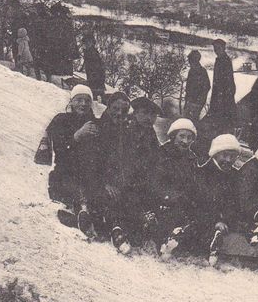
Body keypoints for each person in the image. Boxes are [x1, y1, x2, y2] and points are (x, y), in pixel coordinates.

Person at [104, 96, 162, 254]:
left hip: (138, 184)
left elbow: (154, 162)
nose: (149, 118)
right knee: (117, 203)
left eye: (153, 115)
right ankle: (116, 231)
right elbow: (108, 158)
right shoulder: (123, 129)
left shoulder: (150, 135)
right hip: (117, 181)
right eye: (144, 113)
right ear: (135, 113)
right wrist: (108, 182)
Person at [72, 91, 131, 239]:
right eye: (115, 108)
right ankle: (89, 219)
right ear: (108, 108)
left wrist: (119, 183)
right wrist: (105, 183)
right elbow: (88, 162)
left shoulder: (125, 133)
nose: (119, 113)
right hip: (92, 180)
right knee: (102, 200)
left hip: (113, 183)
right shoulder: (96, 127)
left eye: (124, 111)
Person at [147, 118, 200, 259]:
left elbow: (193, 184)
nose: (185, 141)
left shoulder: (192, 159)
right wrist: (172, 196)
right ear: (173, 136)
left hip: (182, 201)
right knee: (168, 215)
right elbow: (155, 182)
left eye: (189, 138)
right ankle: (166, 242)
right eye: (181, 136)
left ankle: (177, 237)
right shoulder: (162, 154)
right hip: (162, 199)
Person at [45, 85, 97, 208]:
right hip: (65, 173)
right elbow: (60, 150)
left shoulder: (95, 123)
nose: (83, 104)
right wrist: (76, 136)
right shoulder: (61, 120)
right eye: (79, 100)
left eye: (87, 100)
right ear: (71, 101)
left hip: (89, 176)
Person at [209, 39, 236, 134]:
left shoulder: (225, 61)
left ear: (223, 48)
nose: (216, 50)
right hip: (218, 97)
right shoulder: (219, 60)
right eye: (215, 48)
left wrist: (222, 97)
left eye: (218, 48)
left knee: (224, 123)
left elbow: (228, 82)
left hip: (224, 98)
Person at [183, 50, 210, 121]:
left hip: (197, 103)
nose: (190, 63)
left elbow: (207, 87)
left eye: (191, 61)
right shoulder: (191, 71)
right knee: (186, 120)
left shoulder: (202, 72)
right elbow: (188, 88)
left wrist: (199, 101)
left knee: (193, 121)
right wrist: (187, 101)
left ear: (195, 60)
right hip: (190, 101)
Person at [82, 34, 106, 103]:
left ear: (92, 43)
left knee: (97, 92)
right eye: (85, 43)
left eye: (88, 42)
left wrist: (94, 76)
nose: (86, 44)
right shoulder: (87, 52)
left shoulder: (92, 53)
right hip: (93, 77)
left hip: (96, 78)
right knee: (96, 93)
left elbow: (97, 67)